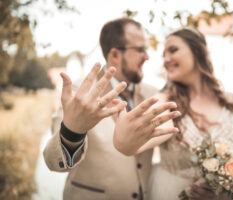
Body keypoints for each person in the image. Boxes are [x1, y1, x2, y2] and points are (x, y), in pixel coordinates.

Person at [114, 27, 233, 200]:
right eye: (164, 55)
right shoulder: (166, 102)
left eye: (173, 50)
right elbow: (132, 146)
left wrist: (230, 192)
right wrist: (124, 138)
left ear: (198, 51)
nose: (166, 60)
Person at [43, 17, 180, 200]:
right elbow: (54, 162)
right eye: (140, 50)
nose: (147, 57)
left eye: (146, 50)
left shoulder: (153, 94)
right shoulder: (81, 95)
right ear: (115, 55)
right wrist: (72, 131)